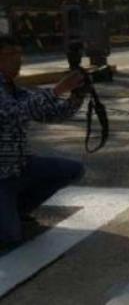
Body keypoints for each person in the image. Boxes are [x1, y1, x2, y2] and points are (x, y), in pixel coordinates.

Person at [0, 35, 87, 247]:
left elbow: (49, 114)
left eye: (19, 54)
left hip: (17, 169)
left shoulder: (13, 89)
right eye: (10, 54)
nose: (17, 60)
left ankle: (16, 209)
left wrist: (76, 97)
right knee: (9, 238)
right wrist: (57, 90)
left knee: (71, 170)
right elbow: (13, 114)